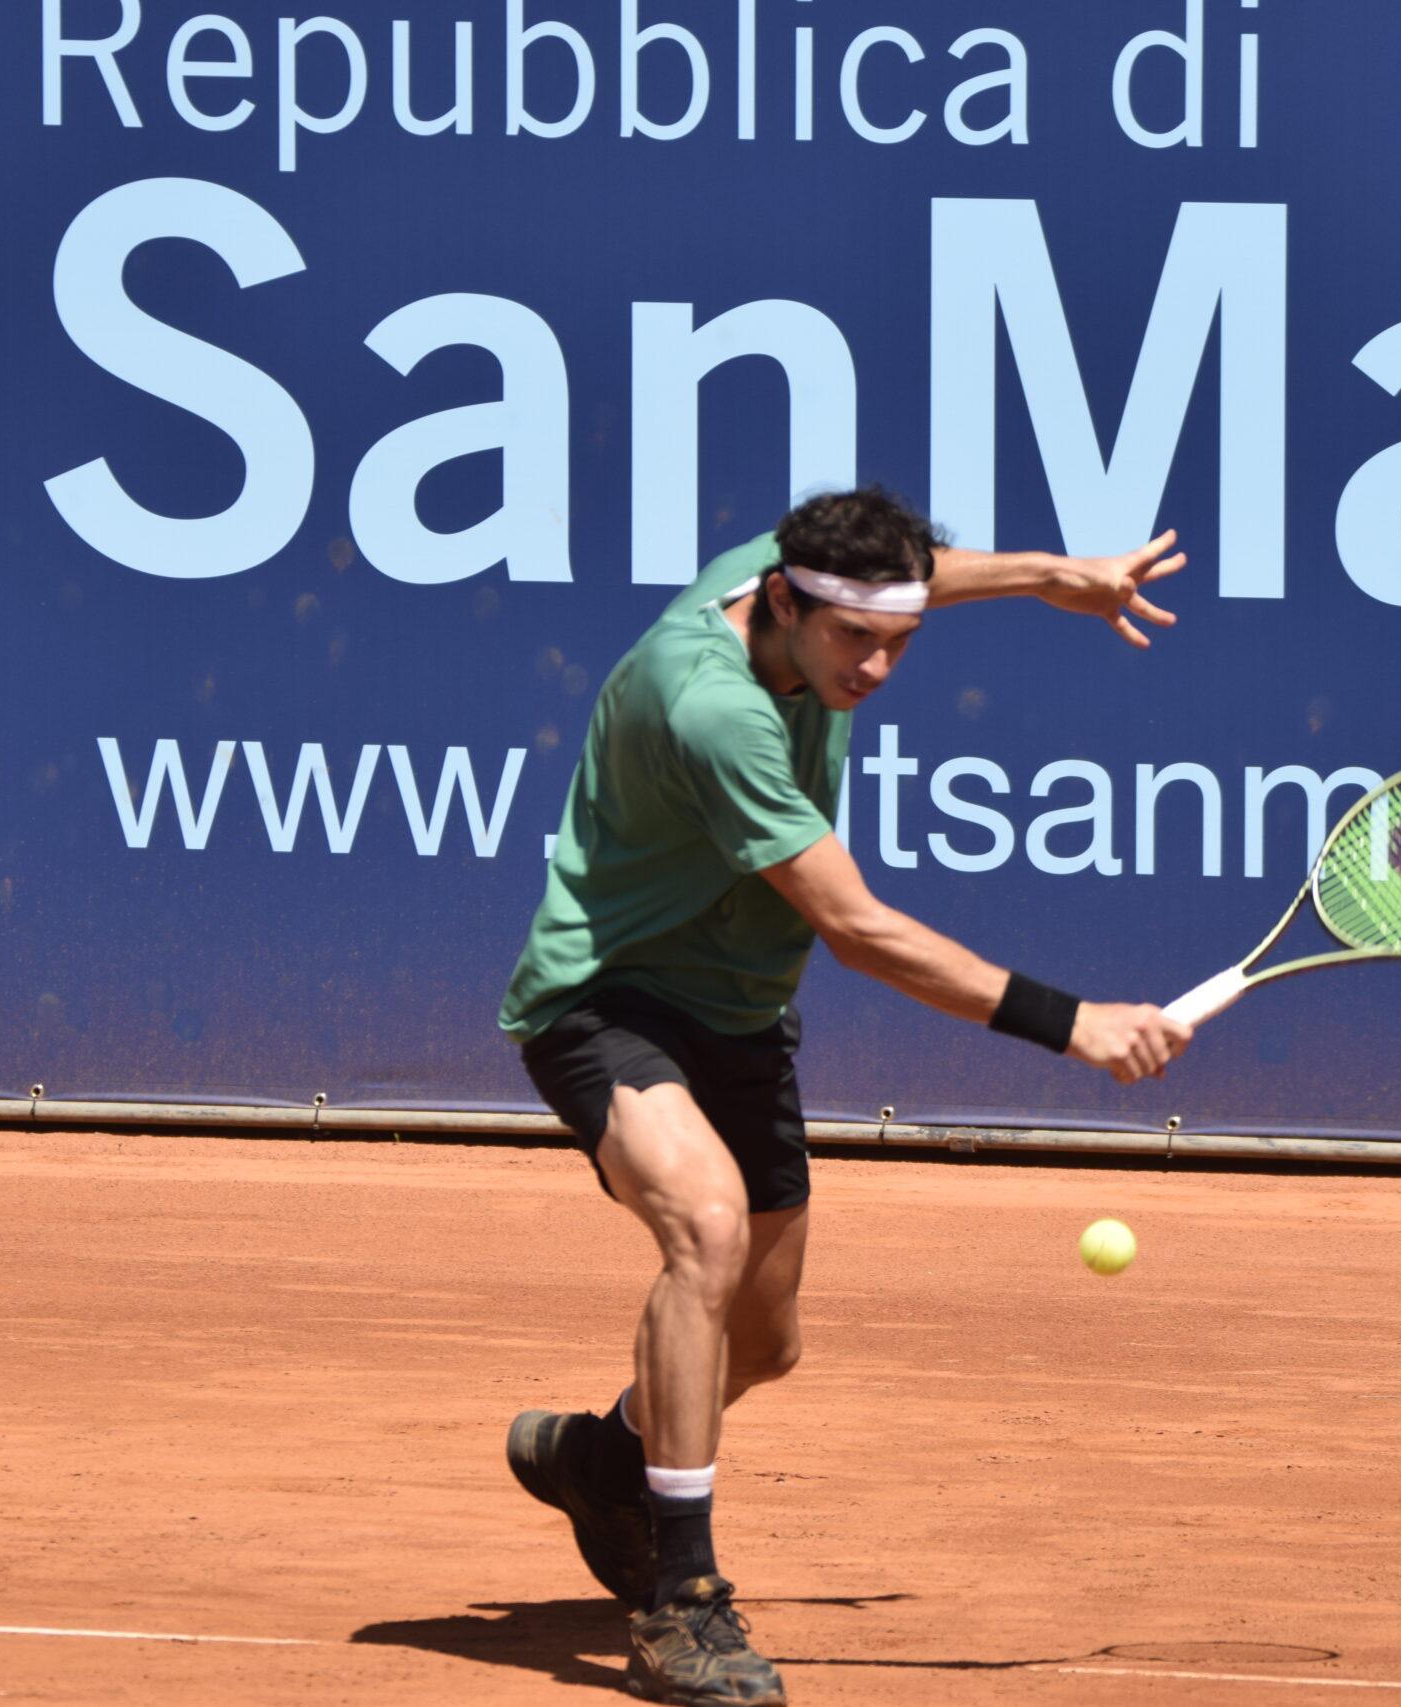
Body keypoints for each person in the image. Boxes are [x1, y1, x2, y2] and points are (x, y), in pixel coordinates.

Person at [497, 487, 1193, 1706]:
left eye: (899, 642)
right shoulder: (710, 705)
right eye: (849, 640)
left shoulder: (815, 578)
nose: (874, 666)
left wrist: (1049, 577)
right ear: (780, 601)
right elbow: (858, 929)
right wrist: (1068, 1023)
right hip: (605, 1000)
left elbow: (924, 571)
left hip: (741, 1016)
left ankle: (605, 1458)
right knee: (703, 1232)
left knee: (762, 1344)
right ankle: (681, 1604)